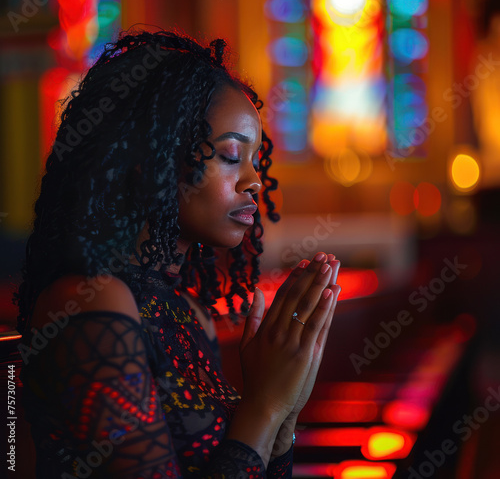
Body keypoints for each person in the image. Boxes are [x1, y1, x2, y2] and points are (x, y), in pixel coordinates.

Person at [14, 29, 341, 478]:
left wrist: (283, 419)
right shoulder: (90, 303)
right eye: (230, 155)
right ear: (152, 159)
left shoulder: (191, 315)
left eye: (255, 161)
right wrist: (264, 406)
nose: (254, 181)